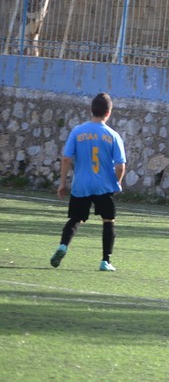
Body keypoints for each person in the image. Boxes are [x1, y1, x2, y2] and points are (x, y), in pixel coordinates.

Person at [50, 92, 127, 271]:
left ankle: (63, 246)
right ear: (108, 113)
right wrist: (117, 183)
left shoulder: (77, 131)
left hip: (81, 185)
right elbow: (120, 166)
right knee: (108, 221)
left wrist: (62, 183)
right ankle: (105, 261)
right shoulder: (113, 135)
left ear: (91, 110)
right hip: (104, 186)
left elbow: (66, 159)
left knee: (75, 219)